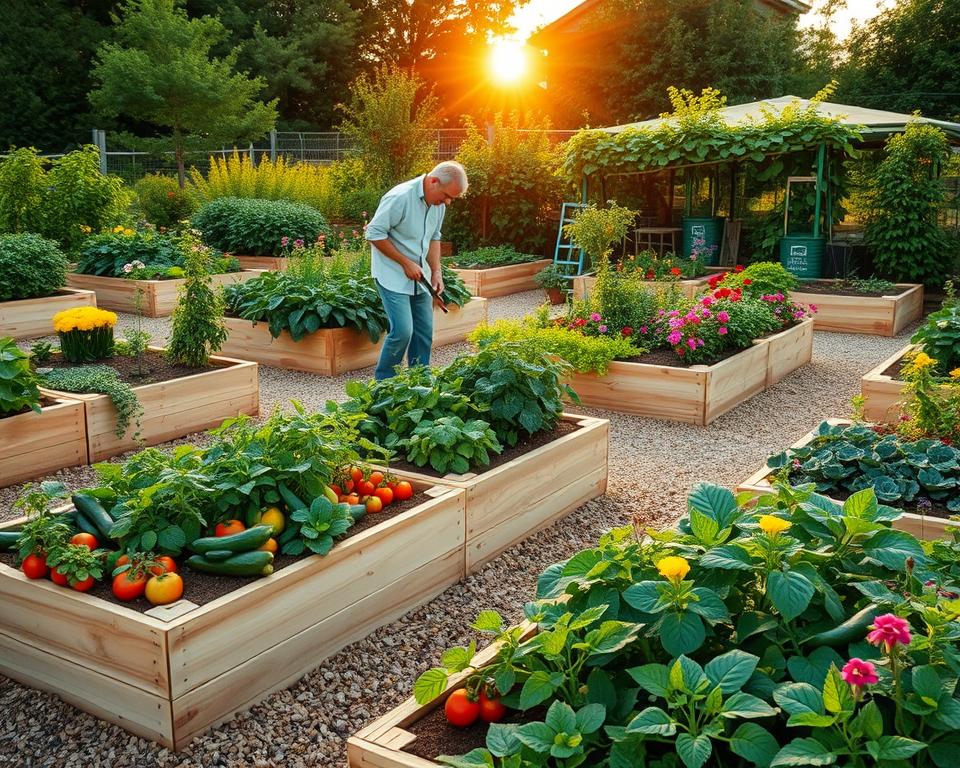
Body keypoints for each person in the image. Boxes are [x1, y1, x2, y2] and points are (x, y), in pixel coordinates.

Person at [365, 161, 468, 380]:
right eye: (446, 196)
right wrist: (405, 262)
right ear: (433, 181)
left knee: (423, 334)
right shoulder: (400, 197)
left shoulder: (437, 205)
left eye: (452, 199)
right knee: (402, 332)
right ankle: (383, 386)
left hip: (422, 278)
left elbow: (434, 237)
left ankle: (419, 385)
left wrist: (437, 271)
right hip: (392, 275)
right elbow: (373, 233)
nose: (448, 203)